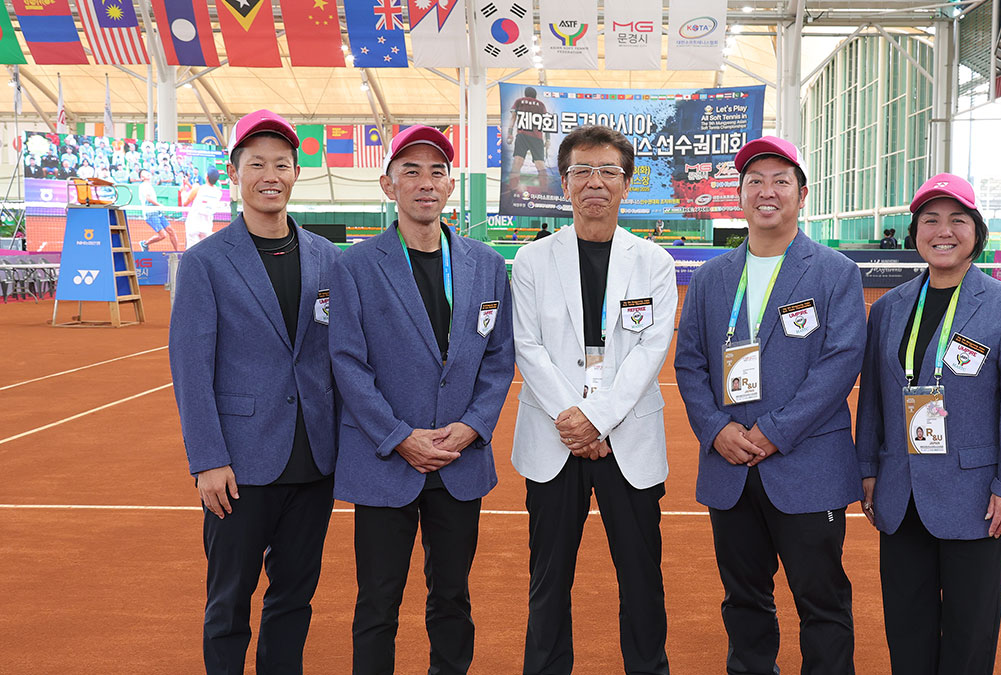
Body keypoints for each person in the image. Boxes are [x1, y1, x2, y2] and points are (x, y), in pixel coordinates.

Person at [674, 135, 865, 675]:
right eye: (754, 181)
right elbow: (689, 363)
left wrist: (775, 432)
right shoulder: (711, 277)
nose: (767, 191)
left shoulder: (835, 271)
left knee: (821, 602)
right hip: (730, 465)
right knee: (743, 599)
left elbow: (840, 363)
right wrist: (716, 430)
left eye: (781, 181)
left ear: (801, 195)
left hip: (807, 465)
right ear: (739, 195)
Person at [330, 125, 515, 675]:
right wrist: (399, 437)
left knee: (453, 597)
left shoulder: (486, 264)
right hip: (386, 460)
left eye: (437, 172)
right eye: (410, 172)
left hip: (460, 458)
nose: (425, 183)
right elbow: (347, 363)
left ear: (451, 186)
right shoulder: (355, 266)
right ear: (388, 186)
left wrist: (473, 425)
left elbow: (498, 358)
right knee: (377, 602)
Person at [169, 109, 342, 674]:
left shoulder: (328, 258)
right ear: (235, 173)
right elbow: (191, 368)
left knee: (294, 599)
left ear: (296, 173)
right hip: (238, 466)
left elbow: (339, 356)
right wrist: (207, 460)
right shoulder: (204, 263)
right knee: (228, 604)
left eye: (282, 164)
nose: (271, 175)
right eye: (257, 164)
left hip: (313, 462)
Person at [856, 173, 1001, 675]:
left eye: (957, 220)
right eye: (931, 220)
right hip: (901, 493)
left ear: (976, 232)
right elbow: (873, 397)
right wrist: (868, 468)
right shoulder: (889, 308)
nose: (943, 231)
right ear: (916, 232)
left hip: (976, 499)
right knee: (907, 629)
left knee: (969, 636)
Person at [511, 125, 677, 675]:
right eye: (582, 171)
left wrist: (598, 419)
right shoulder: (532, 260)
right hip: (555, 439)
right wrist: (575, 419)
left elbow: (651, 349)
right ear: (564, 183)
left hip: (627, 439)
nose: (595, 182)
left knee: (642, 580)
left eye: (608, 171)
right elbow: (527, 346)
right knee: (548, 581)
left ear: (626, 183)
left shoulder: (653, 261)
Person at [506, 85, 551, 195]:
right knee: (540, 165)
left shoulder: (519, 101)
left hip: (522, 135)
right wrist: (548, 139)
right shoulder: (541, 104)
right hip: (537, 137)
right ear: (535, 95)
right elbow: (546, 123)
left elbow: (513, 118)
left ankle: (512, 189)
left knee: (517, 162)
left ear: (525, 94)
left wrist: (510, 133)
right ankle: (544, 191)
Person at [184, 166, 226, 249]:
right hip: (206, 226)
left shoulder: (198, 188)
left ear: (206, 177)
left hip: (193, 224)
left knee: (191, 251)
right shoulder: (218, 193)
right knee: (204, 251)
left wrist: (184, 190)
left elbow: (185, 203)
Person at [138, 169, 180, 251]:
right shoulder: (144, 186)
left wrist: (159, 208)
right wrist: (160, 205)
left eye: (147, 172)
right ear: (142, 178)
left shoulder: (149, 186)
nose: (147, 174)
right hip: (150, 214)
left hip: (157, 212)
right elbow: (148, 198)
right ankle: (145, 243)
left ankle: (177, 251)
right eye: (144, 174)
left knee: (171, 231)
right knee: (163, 235)